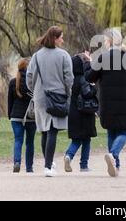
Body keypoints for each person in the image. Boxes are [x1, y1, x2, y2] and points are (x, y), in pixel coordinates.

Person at [84, 28, 126, 177]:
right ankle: (114, 155)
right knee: (123, 132)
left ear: (109, 41)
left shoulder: (102, 57)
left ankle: (115, 164)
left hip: (107, 101)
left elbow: (90, 77)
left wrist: (89, 63)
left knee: (111, 131)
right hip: (124, 100)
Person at [26, 26, 74, 177]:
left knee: (44, 131)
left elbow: (29, 77)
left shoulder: (36, 56)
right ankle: (48, 166)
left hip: (40, 97)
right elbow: (69, 78)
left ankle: (49, 161)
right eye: (61, 37)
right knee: (52, 130)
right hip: (57, 96)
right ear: (54, 38)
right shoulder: (63, 55)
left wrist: (35, 91)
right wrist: (68, 93)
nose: (63, 40)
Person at [64, 54, 97, 173]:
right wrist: (94, 88)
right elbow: (87, 94)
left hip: (73, 112)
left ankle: (69, 155)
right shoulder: (84, 79)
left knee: (76, 139)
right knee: (86, 139)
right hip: (85, 113)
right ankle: (84, 165)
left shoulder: (70, 79)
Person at [8, 58, 36, 173]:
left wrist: (10, 115)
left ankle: (17, 162)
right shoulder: (34, 83)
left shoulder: (13, 82)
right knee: (30, 142)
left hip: (16, 115)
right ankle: (29, 167)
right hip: (31, 116)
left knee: (18, 140)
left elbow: (10, 101)